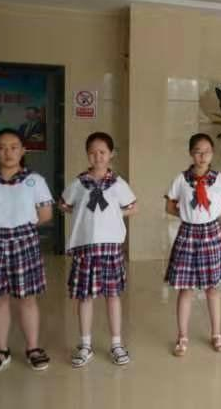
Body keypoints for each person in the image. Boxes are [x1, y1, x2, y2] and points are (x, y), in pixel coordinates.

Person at [0, 128, 54, 374]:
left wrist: (18, 227)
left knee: (28, 298)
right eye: (2, 147)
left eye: (14, 147)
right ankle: (1, 351)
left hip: (24, 242)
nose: (8, 152)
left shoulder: (35, 180)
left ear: (23, 150)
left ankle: (33, 348)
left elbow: (45, 214)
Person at [60, 132, 137, 367]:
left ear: (111, 154)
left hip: (111, 247)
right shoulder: (78, 183)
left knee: (113, 296)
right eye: (92, 152)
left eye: (102, 152)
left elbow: (133, 207)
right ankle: (85, 344)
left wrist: (114, 214)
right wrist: (81, 216)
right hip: (86, 248)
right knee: (85, 297)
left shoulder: (118, 184)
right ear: (87, 155)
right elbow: (64, 204)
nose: (98, 156)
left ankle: (116, 343)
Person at [164, 133, 221, 355]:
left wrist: (212, 214)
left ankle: (216, 334)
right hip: (188, 234)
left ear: (212, 154)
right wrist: (189, 215)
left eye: (207, 151)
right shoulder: (181, 180)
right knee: (185, 289)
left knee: (212, 288)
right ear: (191, 153)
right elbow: (170, 206)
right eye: (198, 151)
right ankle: (182, 336)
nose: (202, 156)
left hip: (211, 234)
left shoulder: (220, 180)